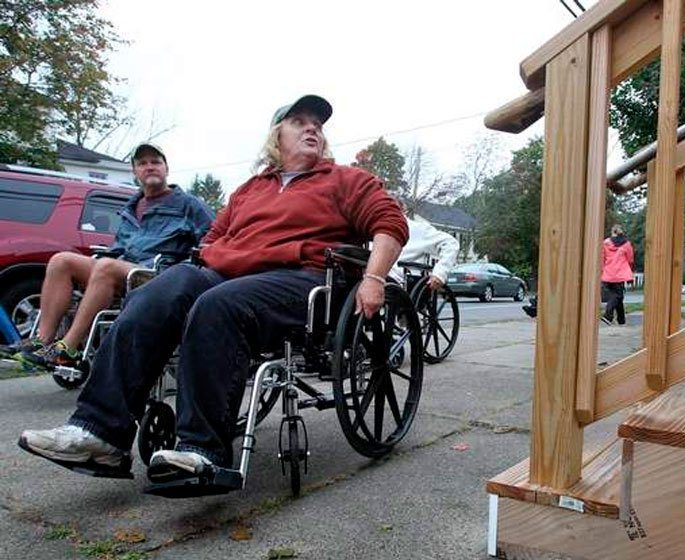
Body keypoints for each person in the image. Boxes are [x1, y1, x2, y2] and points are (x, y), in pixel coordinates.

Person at [17, 95, 409, 485]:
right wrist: (205, 261)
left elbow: (390, 224)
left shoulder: (346, 180)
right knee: (157, 291)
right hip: (228, 274)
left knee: (217, 303)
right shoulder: (249, 190)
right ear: (276, 137)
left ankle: (202, 449)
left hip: (300, 277)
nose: (312, 128)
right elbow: (213, 238)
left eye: (318, 125)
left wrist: (373, 279)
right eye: (299, 121)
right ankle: (100, 433)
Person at [3, 144, 213, 370]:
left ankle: (67, 349)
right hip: (123, 270)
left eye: (155, 162)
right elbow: (120, 247)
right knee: (61, 260)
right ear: (135, 172)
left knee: (105, 267)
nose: (149, 167)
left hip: (160, 275)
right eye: (142, 164)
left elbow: (213, 239)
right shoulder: (131, 208)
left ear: (166, 168)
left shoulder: (189, 205)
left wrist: (189, 268)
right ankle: (42, 341)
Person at [389, 212, 459, 293]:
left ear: (402, 210)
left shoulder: (418, 229)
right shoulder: (374, 228)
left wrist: (440, 273)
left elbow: (450, 244)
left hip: (400, 284)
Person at [600, 224, 635, 325]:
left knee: (617, 296)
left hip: (608, 273)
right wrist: (628, 268)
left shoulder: (605, 243)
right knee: (617, 296)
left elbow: (602, 258)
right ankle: (608, 315)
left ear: (612, 232)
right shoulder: (627, 244)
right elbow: (630, 259)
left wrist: (603, 270)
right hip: (620, 274)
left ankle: (621, 320)